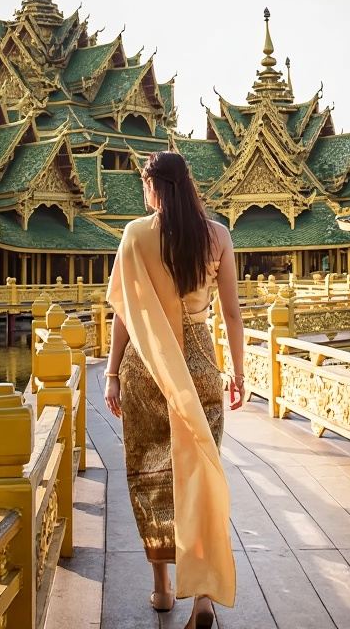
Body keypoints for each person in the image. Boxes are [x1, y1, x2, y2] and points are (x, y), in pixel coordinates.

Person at [103, 151, 245, 628]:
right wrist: (238, 373)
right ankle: (203, 596)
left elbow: (124, 312)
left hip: (147, 366)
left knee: (150, 475)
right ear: (187, 184)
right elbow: (231, 315)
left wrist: (111, 372)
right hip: (202, 366)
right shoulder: (217, 236)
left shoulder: (135, 236)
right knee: (199, 477)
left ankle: (163, 589)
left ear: (152, 188)